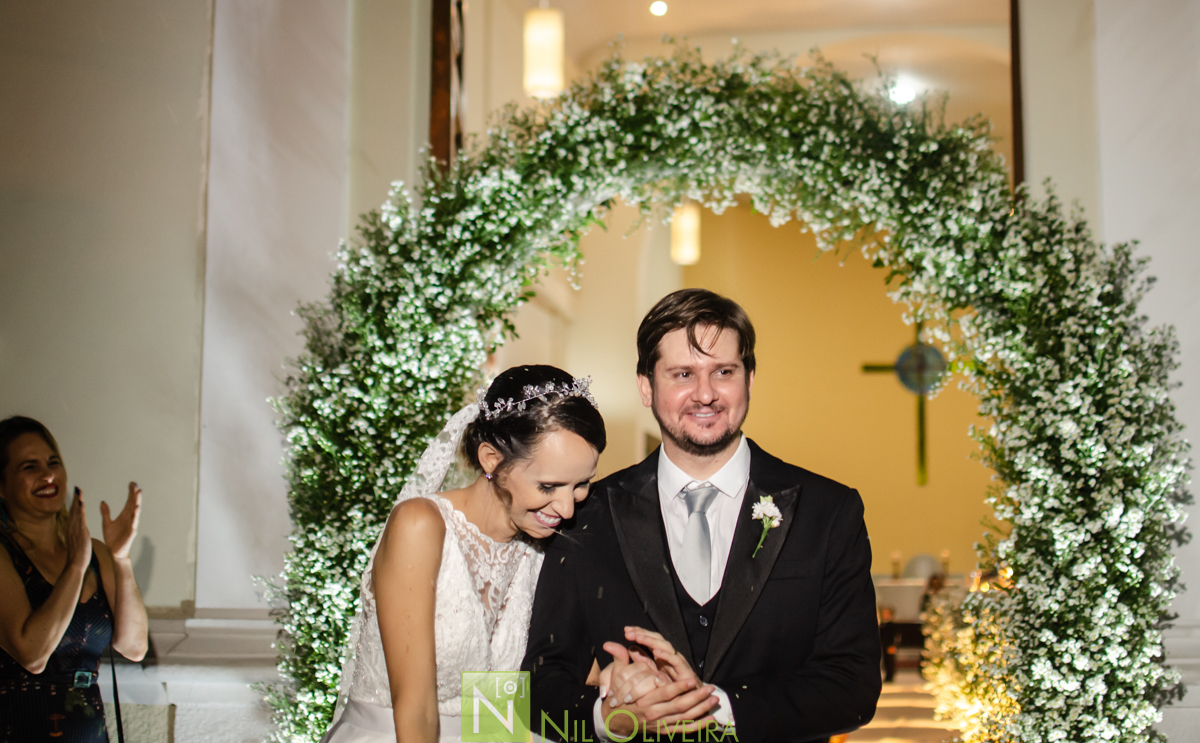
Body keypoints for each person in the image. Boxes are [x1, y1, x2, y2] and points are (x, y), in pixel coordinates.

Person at [524, 289, 881, 743]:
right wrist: (606, 720)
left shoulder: (829, 511)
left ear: (749, 379)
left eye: (724, 372)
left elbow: (854, 687)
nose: (706, 393)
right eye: (683, 374)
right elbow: (539, 685)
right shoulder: (588, 514)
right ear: (646, 386)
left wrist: (713, 710)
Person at [322, 365, 606, 743]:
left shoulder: (547, 546)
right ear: (491, 459)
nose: (567, 508)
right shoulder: (421, 525)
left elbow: (555, 678)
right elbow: (415, 705)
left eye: (581, 485)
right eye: (549, 485)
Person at [0, 416, 149, 742]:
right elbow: (33, 655)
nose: (48, 475)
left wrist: (121, 558)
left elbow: (135, 647)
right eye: (29, 467)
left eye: (53, 462)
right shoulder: (4, 555)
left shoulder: (95, 553)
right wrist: (75, 568)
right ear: (2, 485)